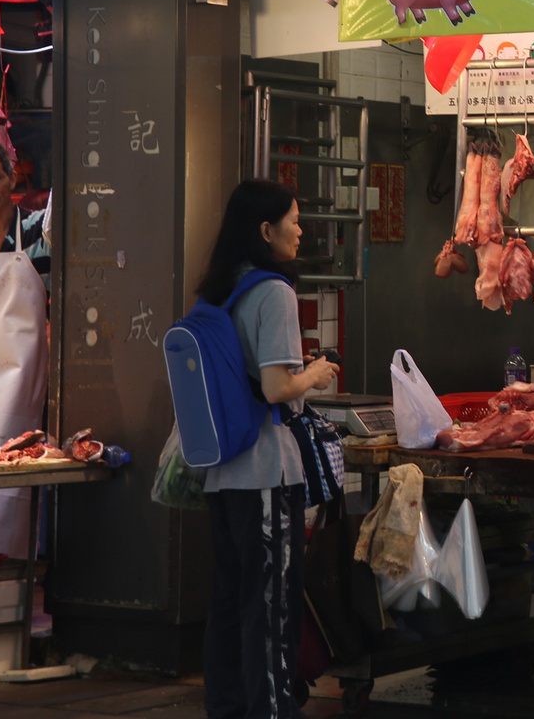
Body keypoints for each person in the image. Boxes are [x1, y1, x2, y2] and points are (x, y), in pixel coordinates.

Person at [197, 179, 338, 719]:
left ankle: (227, 709)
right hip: (264, 472)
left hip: (223, 472)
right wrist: (317, 373)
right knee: (272, 608)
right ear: (265, 230)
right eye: (294, 221)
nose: (300, 230)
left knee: (231, 604)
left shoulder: (221, 286)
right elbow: (279, 387)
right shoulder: (274, 292)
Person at [0, 139, 51, 557]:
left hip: (20, 382)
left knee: (13, 480)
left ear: (12, 178)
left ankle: (14, 580)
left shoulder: (40, 229)